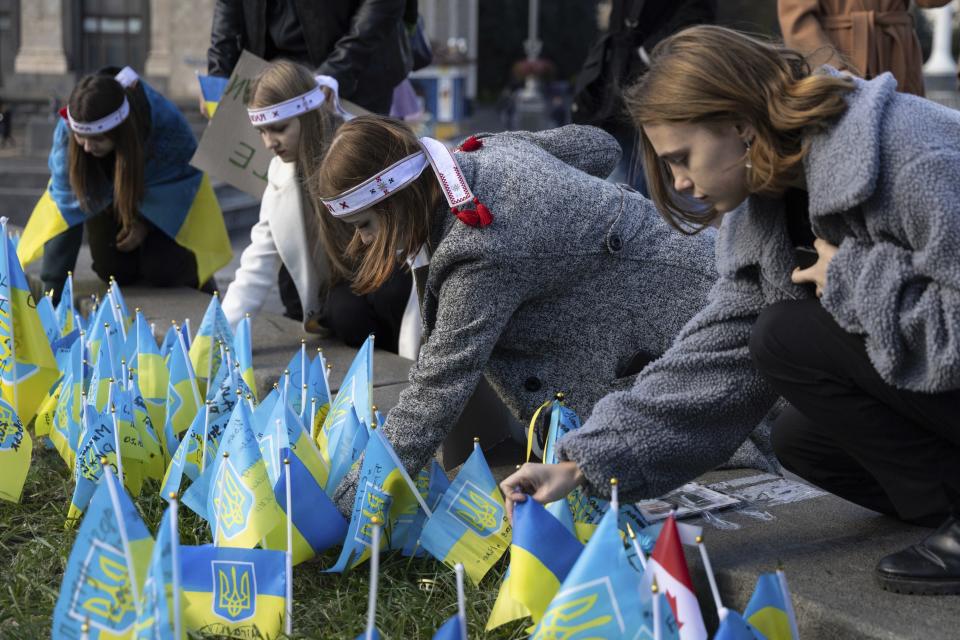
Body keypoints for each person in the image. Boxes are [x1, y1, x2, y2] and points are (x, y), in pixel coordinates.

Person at [501, 25, 960, 595]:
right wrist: (582, 463)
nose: (680, 181)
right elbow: (714, 356)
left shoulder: (908, 154)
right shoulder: (764, 206)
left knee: (786, 335)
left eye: (682, 157)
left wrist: (853, 277)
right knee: (803, 439)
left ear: (740, 125)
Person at [312, 115, 776, 517]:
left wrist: (346, 506)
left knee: (712, 445)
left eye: (367, 226)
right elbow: (599, 146)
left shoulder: (483, 247)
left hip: (686, 329)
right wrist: (583, 230)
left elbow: (437, 389)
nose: (366, 244)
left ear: (397, 200)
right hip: (704, 275)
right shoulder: (490, 152)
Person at [220, 60, 413, 353]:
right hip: (347, 281)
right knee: (344, 313)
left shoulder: (359, 145)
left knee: (393, 292)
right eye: (261, 132)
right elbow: (258, 260)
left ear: (308, 114)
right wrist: (218, 333)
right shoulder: (280, 172)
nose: (269, 142)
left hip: (395, 264)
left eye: (279, 129)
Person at [18, 67, 231, 304]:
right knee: (114, 271)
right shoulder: (67, 133)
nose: (87, 148)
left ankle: (192, 275)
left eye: (97, 139)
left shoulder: (167, 125)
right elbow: (65, 209)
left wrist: (145, 223)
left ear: (120, 133)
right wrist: (51, 296)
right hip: (105, 195)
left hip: (160, 196)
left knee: (163, 270)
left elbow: (181, 182)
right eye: (81, 138)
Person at [571, 0, 716, 188]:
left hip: (655, 85)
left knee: (647, 178)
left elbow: (695, 19)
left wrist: (649, 55)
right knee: (619, 176)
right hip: (614, 93)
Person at [207, 0, 410, 114]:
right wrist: (218, 72)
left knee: (354, 177)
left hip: (355, 74)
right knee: (280, 182)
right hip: (273, 75)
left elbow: (381, 7)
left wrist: (338, 70)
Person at [778, 0, 953, 96]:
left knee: (909, 142)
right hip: (842, 57)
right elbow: (798, 22)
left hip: (898, 57)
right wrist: (833, 70)